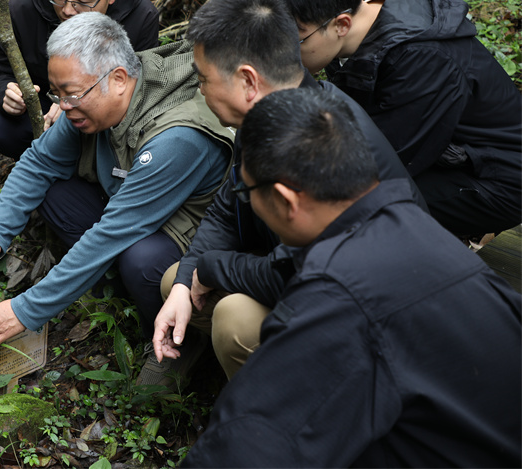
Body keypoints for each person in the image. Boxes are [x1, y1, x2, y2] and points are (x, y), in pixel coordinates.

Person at [180, 87, 522, 467]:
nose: (245, 199)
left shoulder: (338, 294)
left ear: (286, 200)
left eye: (246, 190)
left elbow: (247, 444)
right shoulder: (424, 234)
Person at [151, 0, 426, 381]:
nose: (200, 90)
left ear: (248, 81)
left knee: (235, 321)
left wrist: (213, 268)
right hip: (298, 274)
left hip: (369, 318)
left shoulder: (323, 143)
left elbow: (298, 275)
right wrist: (188, 278)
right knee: (175, 280)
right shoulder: (265, 115)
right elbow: (228, 207)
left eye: (204, 79)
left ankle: (281, 414)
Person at [0, 12, 232, 384]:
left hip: (195, 241)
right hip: (133, 207)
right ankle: (116, 289)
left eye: (70, 94)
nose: (62, 106)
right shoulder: (92, 100)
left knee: (141, 257)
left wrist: (26, 310)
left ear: (119, 79)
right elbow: (39, 162)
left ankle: (180, 343)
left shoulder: (177, 138)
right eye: (57, 93)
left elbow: (112, 232)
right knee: (55, 194)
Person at [263, 0, 522, 239]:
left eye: (295, 41)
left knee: (337, 206)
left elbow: (380, 163)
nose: (284, 52)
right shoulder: (344, 8)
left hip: (496, 181)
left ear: (341, 25)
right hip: (438, 153)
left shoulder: (421, 58)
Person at [0, 0, 160, 160]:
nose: (68, 10)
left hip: (106, 113)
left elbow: (144, 91)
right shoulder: (23, 10)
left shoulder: (142, 17)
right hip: (44, 107)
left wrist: (75, 103)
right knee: (4, 130)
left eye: (82, 1)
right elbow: (0, 72)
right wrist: (6, 92)